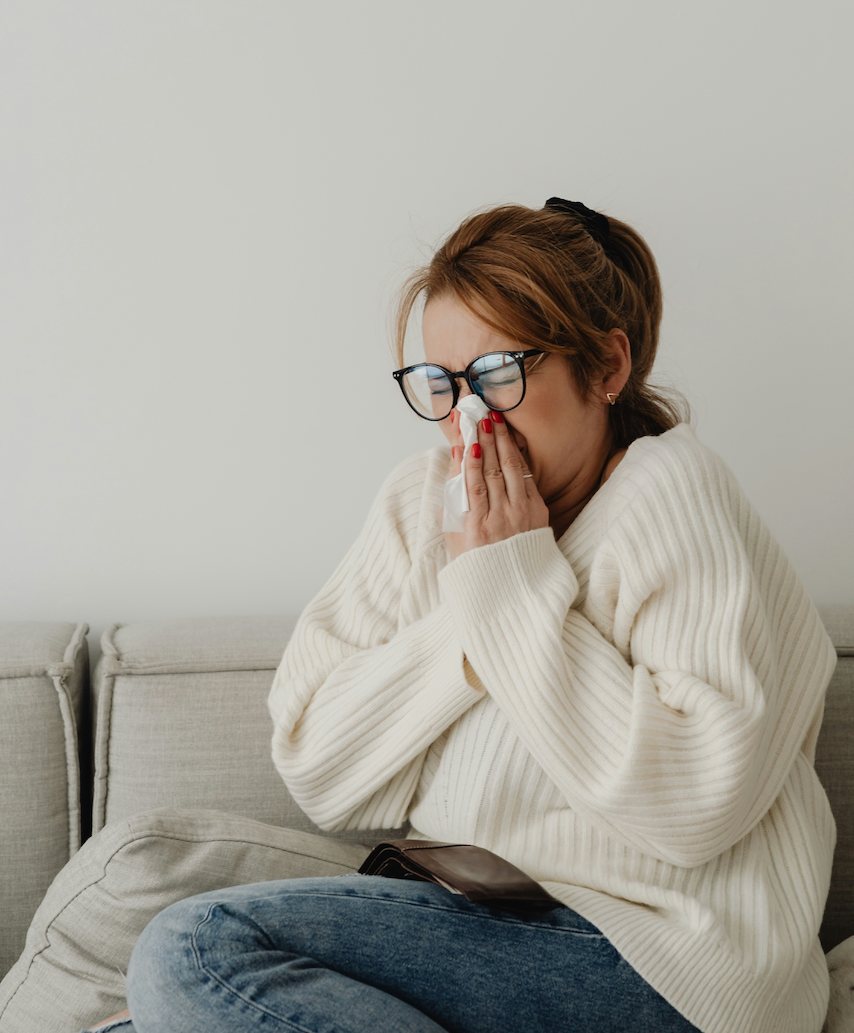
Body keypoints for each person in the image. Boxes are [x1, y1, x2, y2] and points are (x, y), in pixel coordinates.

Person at [115, 199, 836, 1033]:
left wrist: (507, 585)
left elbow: (694, 805)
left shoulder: (672, 493)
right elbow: (319, 766)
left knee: (196, 952)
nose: (470, 417)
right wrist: (476, 609)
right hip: (481, 927)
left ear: (607, 366)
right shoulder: (421, 504)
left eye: (498, 374)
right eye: (443, 384)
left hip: (663, 964)